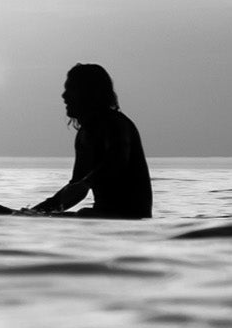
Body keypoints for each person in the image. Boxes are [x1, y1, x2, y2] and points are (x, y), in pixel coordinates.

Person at [24, 63, 152, 219]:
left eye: (70, 89)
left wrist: (86, 183)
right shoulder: (84, 134)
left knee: (83, 213)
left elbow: (118, 159)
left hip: (130, 217)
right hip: (102, 216)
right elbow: (75, 189)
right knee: (79, 214)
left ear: (88, 93)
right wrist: (36, 213)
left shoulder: (115, 124)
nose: (64, 96)